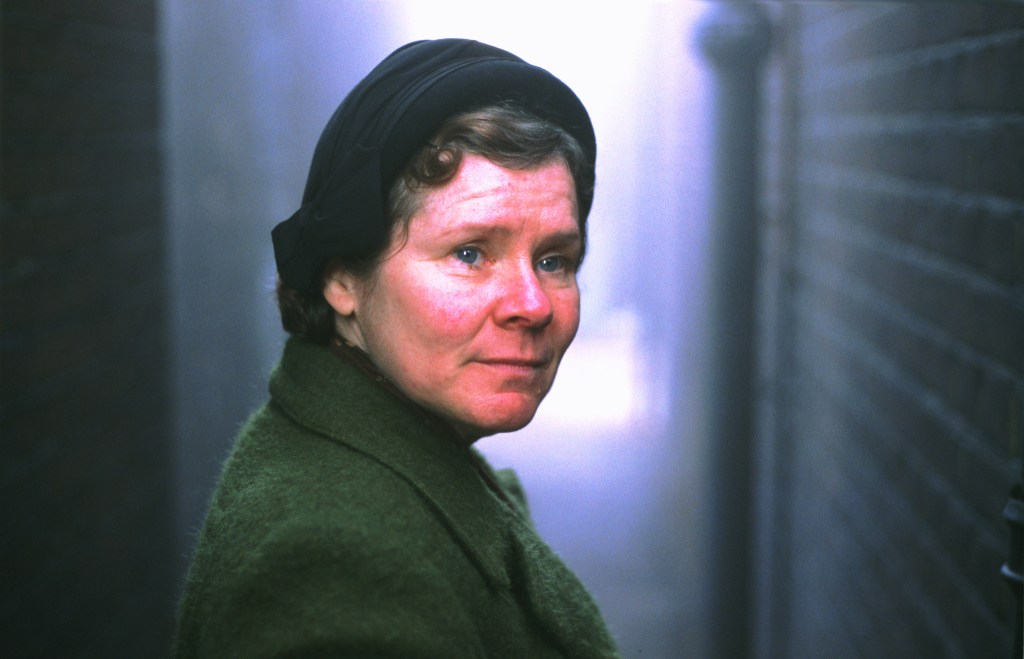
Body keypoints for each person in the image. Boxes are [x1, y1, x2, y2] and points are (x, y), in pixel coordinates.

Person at [174, 38, 619, 658]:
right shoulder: (336, 568)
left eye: (554, 260)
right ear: (342, 277)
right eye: (470, 253)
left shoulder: (388, 454)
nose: (534, 304)